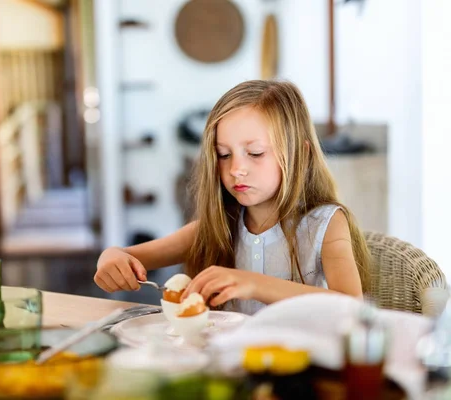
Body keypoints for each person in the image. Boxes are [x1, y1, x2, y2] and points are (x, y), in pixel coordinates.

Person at [94, 80, 371, 314]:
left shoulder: (326, 224)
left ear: (301, 154)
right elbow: (128, 256)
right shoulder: (219, 225)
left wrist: (252, 283)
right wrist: (111, 258)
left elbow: (351, 308)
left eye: (255, 153)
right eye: (224, 155)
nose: (236, 169)